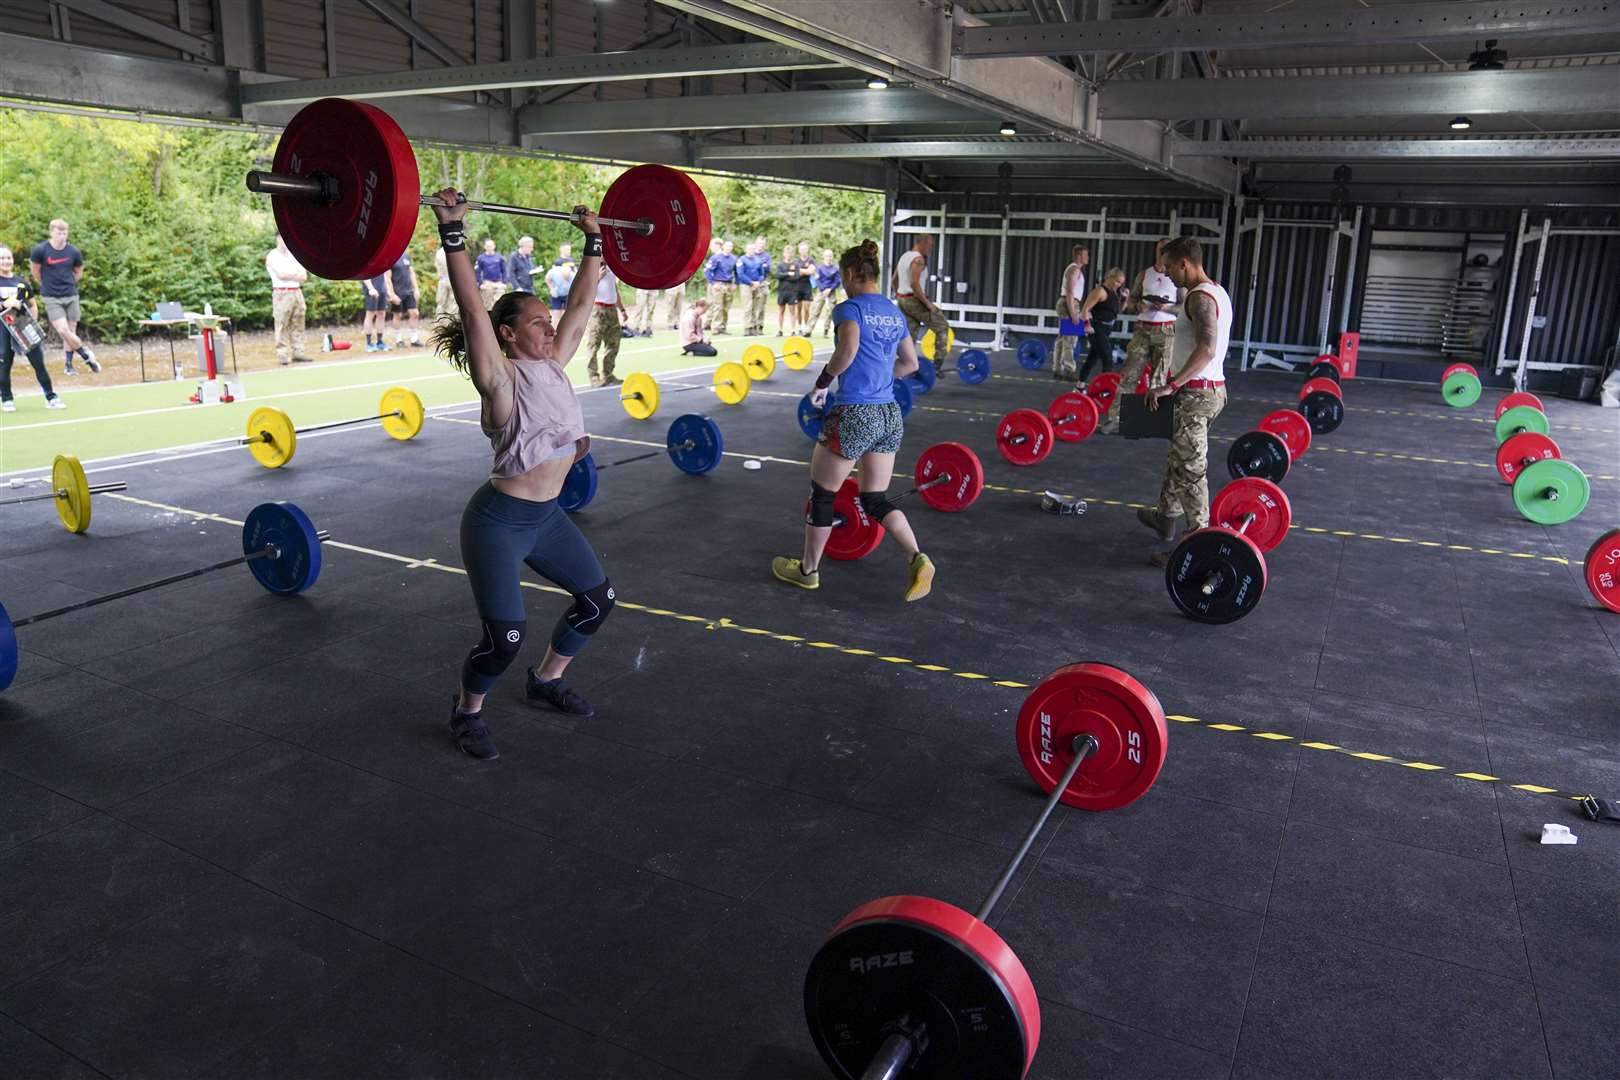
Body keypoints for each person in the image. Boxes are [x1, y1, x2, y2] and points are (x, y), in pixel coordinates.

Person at [428, 192, 613, 760]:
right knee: (504, 638)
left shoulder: (554, 364)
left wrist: (595, 239)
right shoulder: (501, 382)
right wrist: (453, 232)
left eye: (546, 318)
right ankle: (467, 711)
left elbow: (582, 304)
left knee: (596, 600)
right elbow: (472, 311)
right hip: (498, 523)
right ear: (506, 334)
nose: (548, 325)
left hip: (546, 518)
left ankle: (547, 679)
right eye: (535, 322)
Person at [772, 239, 933, 603]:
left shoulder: (850, 309)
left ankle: (808, 571)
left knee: (823, 494)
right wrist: (880, 377)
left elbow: (847, 351)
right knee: (874, 498)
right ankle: (916, 557)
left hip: (855, 413)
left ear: (847, 274)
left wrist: (822, 383)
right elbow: (910, 364)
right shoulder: (893, 311)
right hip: (889, 414)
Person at [1137, 236, 1232, 567]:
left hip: (1196, 394)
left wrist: (1171, 385)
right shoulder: (1215, 291)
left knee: (1191, 470)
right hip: (1206, 390)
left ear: (1184, 264)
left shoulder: (1200, 298)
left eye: (1169, 267)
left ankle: (1196, 545)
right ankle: (1166, 518)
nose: (1166, 274)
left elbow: (1206, 348)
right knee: (1179, 458)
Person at [1103, 238, 1181, 435]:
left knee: (1159, 379)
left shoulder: (1178, 278)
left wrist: (1168, 307)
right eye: (1160, 248)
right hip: (1142, 329)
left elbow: (1186, 306)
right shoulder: (1145, 274)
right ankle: (1115, 419)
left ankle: (1153, 422)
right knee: (1129, 375)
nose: (1163, 252)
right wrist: (1138, 305)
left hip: (1166, 331)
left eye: (1166, 249)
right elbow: (1131, 303)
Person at [29, 219, 99, 376]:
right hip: (51, 297)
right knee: (63, 330)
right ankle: (85, 354)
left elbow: (79, 271)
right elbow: (35, 271)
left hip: (70, 295)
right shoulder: (40, 250)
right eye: (59, 232)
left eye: (64, 232)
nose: (62, 236)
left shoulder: (73, 251)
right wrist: (46, 283)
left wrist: (70, 283)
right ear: (51, 232)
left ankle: (68, 365)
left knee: (71, 330)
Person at [0, 245, 64, 411]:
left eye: (8, 258)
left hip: (23, 327)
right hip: (3, 330)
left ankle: (51, 397)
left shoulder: (21, 283)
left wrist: (32, 323)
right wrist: (4, 303)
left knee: (38, 362)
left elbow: (32, 305)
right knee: (4, 364)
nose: (6, 261)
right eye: (2, 258)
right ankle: (7, 399)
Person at [892, 235, 953, 373]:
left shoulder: (904, 256)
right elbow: (914, 284)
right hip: (914, 300)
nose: (931, 248)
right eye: (930, 245)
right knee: (942, 327)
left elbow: (893, 280)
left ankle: (906, 370)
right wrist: (927, 303)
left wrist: (899, 295)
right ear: (923, 243)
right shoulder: (918, 259)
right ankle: (937, 365)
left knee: (909, 337)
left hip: (902, 301)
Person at [264, 234, 312, 365]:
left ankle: (299, 352)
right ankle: (282, 354)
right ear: (277, 239)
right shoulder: (273, 256)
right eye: (283, 238)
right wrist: (294, 274)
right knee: (282, 323)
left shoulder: (293, 255)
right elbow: (281, 274)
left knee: (299, 322)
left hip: (296, 291)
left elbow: (303, 276)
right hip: (282, 293)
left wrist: (291, 275)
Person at [1076, 267, 1127, 384]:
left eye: (1121, 283)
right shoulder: (1100, 291)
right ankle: (1105, 389)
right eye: (1117, 281)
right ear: (1109, 277)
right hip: (1096, 328)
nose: (1119, 285)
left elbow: (1117, 311)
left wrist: (1125, 300)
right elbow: (1085, 310)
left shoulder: (1114, 293)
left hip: (1106, 329)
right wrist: (1087, 325)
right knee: (1108, 360)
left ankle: (1079, 386)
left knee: (1092, 359)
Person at [585, 262, 628, 387]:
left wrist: (622, 309)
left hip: (611, 309)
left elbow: (614, 289)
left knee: (613, 344)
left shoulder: (612, 267)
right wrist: (597, 278)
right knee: (594, 344)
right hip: (598, 309)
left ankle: (608, 374)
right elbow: (586, 290)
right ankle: (593, 377)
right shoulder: (591, 268)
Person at [1052, 243, 1091, 381]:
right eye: (1085, 255)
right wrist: (1073, 312)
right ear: (1079, 256)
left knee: (1063, 338)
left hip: (1068, 303)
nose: (1088, 257)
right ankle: (1069, 369)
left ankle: (1057, 369)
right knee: (1070, 338)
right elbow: (1069, 292)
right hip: (1069, 303)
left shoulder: (1074, 269)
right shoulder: (1074, 270)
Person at [388, 250, 424, 348]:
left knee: (415, 313)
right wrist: (391, 294)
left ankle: (414, 339)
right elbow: (387, 277)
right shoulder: (391, 256)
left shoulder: (406, 255)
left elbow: (411, 273)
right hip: (397, 292)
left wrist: (416, 289)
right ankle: (398, 339)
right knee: (398, 315)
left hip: (408, 291)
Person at [737, 241, 769, 335]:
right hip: (746, 285)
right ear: (746, 249)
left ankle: (754, 327)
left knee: (755, 307)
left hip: (757, 285)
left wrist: (758, 282)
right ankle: (747, 327)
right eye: (749, 248)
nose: (751, 250)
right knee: (748, 306)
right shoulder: (742, 259)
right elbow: (740, 274)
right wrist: (751, 283)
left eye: (752, 248)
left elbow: (762, 274)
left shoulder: (758, 260)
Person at [706, 239, 737, 334]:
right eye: (727, 246)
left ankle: (723, 327)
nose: (729, 248)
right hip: (718, 284)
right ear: (723, 247)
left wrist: (735, 283)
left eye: (730, 246)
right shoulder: (716, 257)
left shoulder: (734, 258)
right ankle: (715, 327)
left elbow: (737, 272)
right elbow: (708, 271)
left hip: (729, 284)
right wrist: (713, 282)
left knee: (726, 307)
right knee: (717, 306)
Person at [809, 248, 842, 336]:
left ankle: (826, 330)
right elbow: (817, 280)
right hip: (821, 292)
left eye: (830, 256)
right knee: (815, 310)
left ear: (832, 257)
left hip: (831, 292)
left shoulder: (835, 269)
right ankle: (809, 330)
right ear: (824, 257)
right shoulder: (819, 268)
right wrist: (823, 290)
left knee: (830, 312)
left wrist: (830, 289)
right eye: (827, 256)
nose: (829, 258)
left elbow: (837, 281)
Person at [360, 271, 394, 351]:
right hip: (372, 290)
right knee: (370, 315)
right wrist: (371, 288)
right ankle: (368, 343)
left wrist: (388, 290)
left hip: (382, 290)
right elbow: (364, 275)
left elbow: (385, 275)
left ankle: (380, 342)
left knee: (382, 314)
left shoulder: (381, 261)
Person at [774, 243, 799, 337]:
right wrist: (788, 273)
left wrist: (785, 275)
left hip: (792, 291)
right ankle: (780, 330)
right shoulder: (780, 264)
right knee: (781, 311)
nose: (788, 255)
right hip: (782, 291)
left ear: (792, 254)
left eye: (790, 253)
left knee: (792, 311)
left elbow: (796, 277)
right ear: (784, 254)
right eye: (786, 253)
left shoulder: (795, 264)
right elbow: (778, 275)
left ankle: (793, 330)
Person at [475, 238, 507, 309]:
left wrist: (504, 282)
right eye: (488, 246)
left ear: (494, 246)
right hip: (487, 283)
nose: (490, 247)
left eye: (491, 246)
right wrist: (480, 283)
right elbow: (478, 272)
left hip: (498, 283)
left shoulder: (500, 257)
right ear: (485, 247)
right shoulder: (481, 258)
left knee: (499, 302)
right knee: (487, 303)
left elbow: (504, 270)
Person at [794, 241, 816, 333]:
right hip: (797, 286)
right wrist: (805, 271)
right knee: (798, 308)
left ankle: (806, 327)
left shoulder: (811, 260)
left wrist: (801, 271)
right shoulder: (796, 261)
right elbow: (795, 272)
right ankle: (800, 327)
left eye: (805, 249)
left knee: (807, 308)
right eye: (801, 249)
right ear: (799, 251)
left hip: (807, 286)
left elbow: (811, 271)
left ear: (807, 250)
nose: (803, 251)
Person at [433, 242, 459, 320]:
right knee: (453, 303)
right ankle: (451, 321)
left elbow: (436, 265)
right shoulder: (454, 251)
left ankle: (439, 321)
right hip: (452, 279)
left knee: (441, 303)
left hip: (442, 279)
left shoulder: (439, 252)